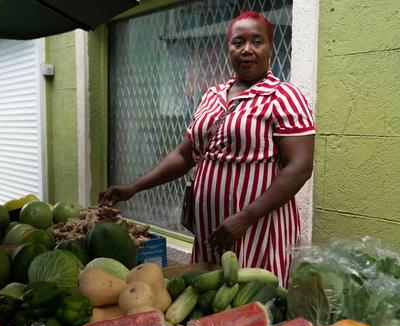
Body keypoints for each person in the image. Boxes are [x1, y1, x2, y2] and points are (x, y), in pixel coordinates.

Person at [100, 11, 315, 285]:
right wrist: (135, 187)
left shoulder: (284, 97)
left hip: (259, 228)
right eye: (238, 42)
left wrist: (246, 217)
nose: (247, 49)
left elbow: (300, 167)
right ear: (229, 48)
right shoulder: (212, 96)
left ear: (270, 47)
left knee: (253, 298)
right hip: (212, 230)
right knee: (210, 297)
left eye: (257, 41)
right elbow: (185, 154)